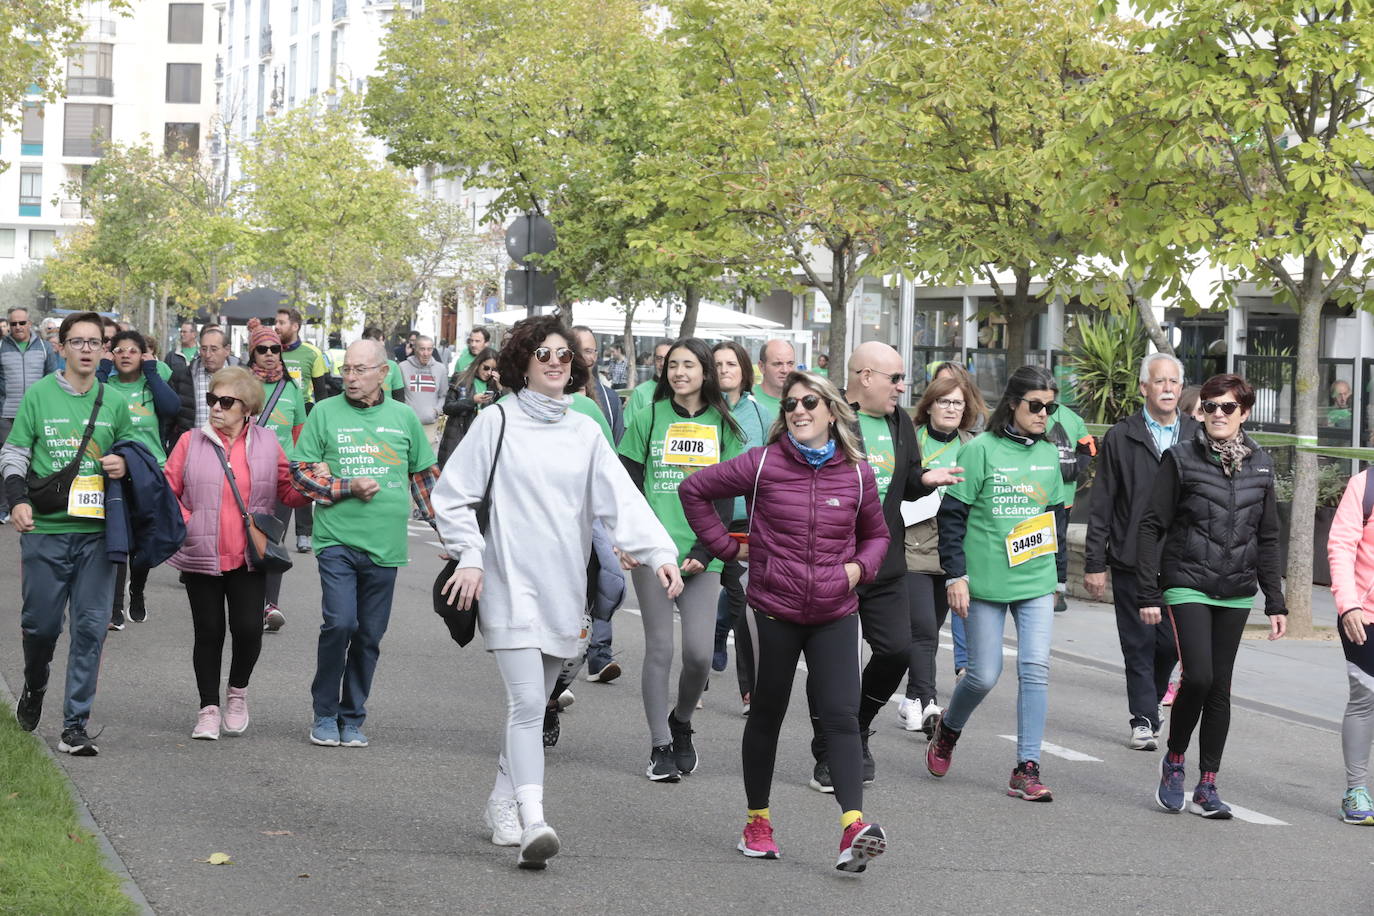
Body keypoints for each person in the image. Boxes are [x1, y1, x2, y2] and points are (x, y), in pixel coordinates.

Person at [433, 314, 682, 870]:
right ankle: (534, 820)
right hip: (506, 583)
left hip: (564, 587)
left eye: (563, 355)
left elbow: (622, 499)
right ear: (522, 362)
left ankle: (501, 802)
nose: (554, 363)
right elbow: (451, 497)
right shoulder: (496, 421)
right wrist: (471, 556)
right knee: (525, 704)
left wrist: (661, 553)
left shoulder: (584, 430)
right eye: (542, 354)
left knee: (533, 704)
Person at [681, 371, 891, 872]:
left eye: (809, 402)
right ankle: (757, 822)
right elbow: (695, 491)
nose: (798, 410)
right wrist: (727, 550)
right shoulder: (762, 464)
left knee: (841, 717)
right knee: (768, 714)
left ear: (832, 411)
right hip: (771, 610)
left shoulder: (857, 473)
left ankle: (853, 827)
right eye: (791, 403)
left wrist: (860, 568)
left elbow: (878, 535)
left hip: (836, 611)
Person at [807, 341, 959, 792]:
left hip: (884, 560)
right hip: (830, 561)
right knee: (831, 665)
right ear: (865, 376)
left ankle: (856, 727)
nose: (902, 387)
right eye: (895, 379)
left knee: (897, 650)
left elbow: (906, 483)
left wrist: (924, 480)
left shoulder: (898, 423)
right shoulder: (825, 417)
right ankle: (829, 751)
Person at [1137, 373, 1286, 818]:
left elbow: (1269, 537)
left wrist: (1274, 600)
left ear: (1244, 413)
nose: (1216, 414)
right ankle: (1176, 760)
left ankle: (1208, 785)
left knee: (1219, 687)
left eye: (1226, 407)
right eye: (1209, 406)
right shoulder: (1180, 458)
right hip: (1187, 583)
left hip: (1237, 591)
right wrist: (1149, 590)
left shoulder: (1261, 463)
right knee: (1197, 677)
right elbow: (1151, 526)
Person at [290, 338, 440, 749]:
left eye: (360, 370)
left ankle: (352, 716)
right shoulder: (323, 412)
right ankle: (324, 712)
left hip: (386, 546)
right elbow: (300, 473)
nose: (350, 378)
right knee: (341, 623)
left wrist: (453, 539)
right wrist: (345, 487)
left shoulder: (404, 417)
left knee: (369, 635)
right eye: (347, 370)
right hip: (336, 539)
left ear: (383, 373)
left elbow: (425, 480)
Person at [928, 365, 1067, 802]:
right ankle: (949, 729)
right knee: (983, 676)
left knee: (1036, 669)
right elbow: (951, 518)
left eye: (1051, 406)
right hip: (985, 582)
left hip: (1036, 580)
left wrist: (1058, 577)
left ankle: (1026, 767)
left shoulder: (1049, 454)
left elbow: (1057, 514)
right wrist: (956, 576)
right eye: (1036, 405)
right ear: (1013, 404)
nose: (1044, 413)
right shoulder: (980, 451)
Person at [2, 311, 134, 756]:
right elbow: (16, 452)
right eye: (76, 341)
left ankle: (75, 724)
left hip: (97, 536)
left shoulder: (114, 402)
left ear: (104, 350)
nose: (85, 349)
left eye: (93, 342)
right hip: (46, 531)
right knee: (40, 627)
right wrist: (17, 499)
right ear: (61, 348)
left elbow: (139, 453)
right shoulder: (40, 396)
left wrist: (125, 463)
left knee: (91, 629)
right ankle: (35, 684)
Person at [618, 337, 746, 781]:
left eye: (689, 365)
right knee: (660, 648)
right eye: (673, 365)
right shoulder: (647, 416)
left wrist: (705, 549)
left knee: (696, 654)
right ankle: (659, 746)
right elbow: (629, 485)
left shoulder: (725, 426)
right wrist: (633, 541)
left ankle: (682, 722)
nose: (679, 373)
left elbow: (728, 498)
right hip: (655, 552)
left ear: (706, 372)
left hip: (702, 554)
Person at [164, 367, 309, 740]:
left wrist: (311, 484)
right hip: (202, 552)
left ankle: (237, 694)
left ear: (247, 407)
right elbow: (167, 491)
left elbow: (286, 492)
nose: (216, 408)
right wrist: (188, 522)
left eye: (225, 401)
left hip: (249, 554)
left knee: (247, 630)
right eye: (212, 399)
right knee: (208, 631)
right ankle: (208, 709)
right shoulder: (189, 442)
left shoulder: (265, 442)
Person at [1084, 353, 1195, 751]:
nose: (1167, 388)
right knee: (1138, 642)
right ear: (1144, 388)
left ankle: (1154, 695)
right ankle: (1143, 718)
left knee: (1169, 643)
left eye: (1174, 382)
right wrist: (1095, 562)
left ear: (1181, 389)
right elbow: (1102, 503)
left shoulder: (1195, 436)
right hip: (1131, 557)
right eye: (1159, 381)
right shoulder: (1122, 436)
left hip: (1180, 561)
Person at [898, 374, 979, 737]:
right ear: (929, 404)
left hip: (951, 547)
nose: (950, 409)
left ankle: (912, 698)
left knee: (930, 625)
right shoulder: (911, 440)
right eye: (944, 402)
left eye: (957, 403)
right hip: (911, 543)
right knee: (924, 628)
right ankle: (927, 700)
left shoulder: (972, 445)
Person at [97, 330, 180, 628]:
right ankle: (115, 608)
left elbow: (172, 408)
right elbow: (89, 403)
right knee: (119, 535)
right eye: (120, 350)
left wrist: (151, 371)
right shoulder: (106, 384)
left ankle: (138, 591)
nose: (126, 355)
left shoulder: (152, 380)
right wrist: (103, 370)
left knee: (144, 538)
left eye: (134, 350)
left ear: (143, 354)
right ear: (112, 354)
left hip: (152, 469)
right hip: (115, 470)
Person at [709, 340, 770, 712]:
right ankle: (696, 673)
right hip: (698, 519)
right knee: (697, 601)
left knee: (743, 601)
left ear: (745, 370)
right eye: (716, 364)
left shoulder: (760, 415)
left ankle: (750, 690)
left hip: (742, 520)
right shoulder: (699, 413)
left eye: (731, 364)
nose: (724, 370)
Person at [567, 326, 628, 684]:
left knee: (605, 577)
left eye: (591, 350)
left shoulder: (603, 398)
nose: (586, 357)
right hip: (558, 519)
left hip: (596, 512)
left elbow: (613, 458)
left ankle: (599, 655)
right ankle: (556, 681)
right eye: (579, 350)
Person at [243, 318, 307, 632]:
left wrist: (301, 468)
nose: (270, 354)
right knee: (248, 539)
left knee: (274, 539)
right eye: (262, 349)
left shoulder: (291, 388)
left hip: (282, 474)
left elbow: (300, 433)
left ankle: (271, 606)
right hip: (246, 472)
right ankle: (249, 601)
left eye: (275, 349)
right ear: (252, 353)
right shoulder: (241, 385)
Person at [1326, 465, 1374, 825]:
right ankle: (1355, 790)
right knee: (1366, 697)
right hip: (1364, 615)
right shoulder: (1365, 485)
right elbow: (1340, 546)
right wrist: (1349, 604)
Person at [0, 306, 62, 524]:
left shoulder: (45, 348)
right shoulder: (1, 346)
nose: (18, 327)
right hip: (7, 414)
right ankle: (5, 507)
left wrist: (49, 407)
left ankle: (35, 503)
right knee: (8, 461)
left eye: (22, 323)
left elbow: (52, 378)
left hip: (39, 414)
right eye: (13, 323)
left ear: (29, 323)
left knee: (37, 460)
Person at [1045, 386, 1096, 613]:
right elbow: (1090, 449)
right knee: (1059, 542)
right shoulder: (1073, 418)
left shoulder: (1030, 414)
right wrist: (1075, 470)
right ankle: (1059, 593)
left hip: (1031, 493)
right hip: (1064, 496)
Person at [169, 325, 233, 447]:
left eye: (214, 349)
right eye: (203, 349)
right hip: (192, 447)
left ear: (227, 350)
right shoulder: (184, 376)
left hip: (228, 448)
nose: (208, 355)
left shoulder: (239, 377)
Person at [438, 348, 500, 470]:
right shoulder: (460, 379)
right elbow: (448, 407)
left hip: (481, 442)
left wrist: (501, 389)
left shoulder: (494, 386)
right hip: (458, 438)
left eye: (493, 370)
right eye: (486, 368)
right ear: (478, 364)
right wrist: (472, 401)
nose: (488, 373)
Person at [275, 307, 332, 407]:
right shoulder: (268, 350)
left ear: (295, 327)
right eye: (276, 322)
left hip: (303, 412)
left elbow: (320, 393)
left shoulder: (313, 353)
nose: (276, 326)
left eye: (281, 323)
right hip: (273, 412)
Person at [400, 335, 448, 446]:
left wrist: (436, 410)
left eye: (429, 349)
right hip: (408, 425)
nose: (426, 353)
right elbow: (397, 396)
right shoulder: (402, 367)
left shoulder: (440, 368)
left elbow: (444, 395)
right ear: (415, 349)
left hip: (430, 425)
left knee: (427, 461)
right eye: (422, 349)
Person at [622, 339, 671, 424]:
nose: (662, 363)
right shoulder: (640, 392)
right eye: (659, 358)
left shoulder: (685, 392)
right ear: (653, 360)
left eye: (668, 358)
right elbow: (628, 427)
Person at [362, 326, 407, 402]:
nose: (382, 344)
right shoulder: (356, 365)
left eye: (383, 340)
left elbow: (399, 398)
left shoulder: (392, 366)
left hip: (387, 412)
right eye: (378, 340)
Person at [753, 339, 796, 418]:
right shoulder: (749, 401)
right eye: (778, 364)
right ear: (761, 366)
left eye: (790, 364)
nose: (785, 370)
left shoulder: (801, 400)